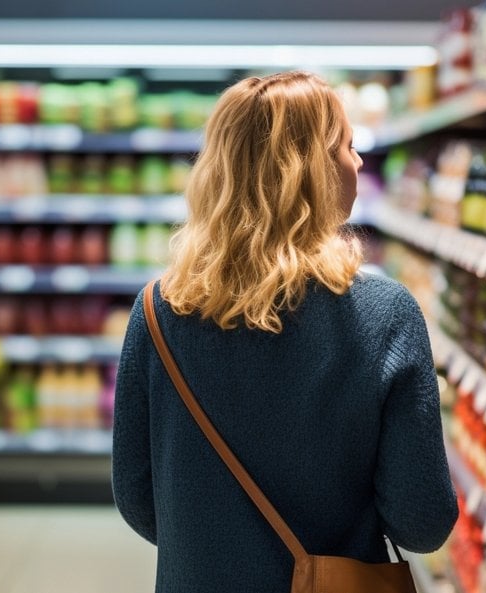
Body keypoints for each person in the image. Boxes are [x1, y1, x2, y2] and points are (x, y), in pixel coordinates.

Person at [112, 71, 457, 592]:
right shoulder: (385, 314)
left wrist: (220, 546)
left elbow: (138, 498)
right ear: (311, 170)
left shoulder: (157, 311)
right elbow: (422, 522)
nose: (359, 161)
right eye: (347, 146)